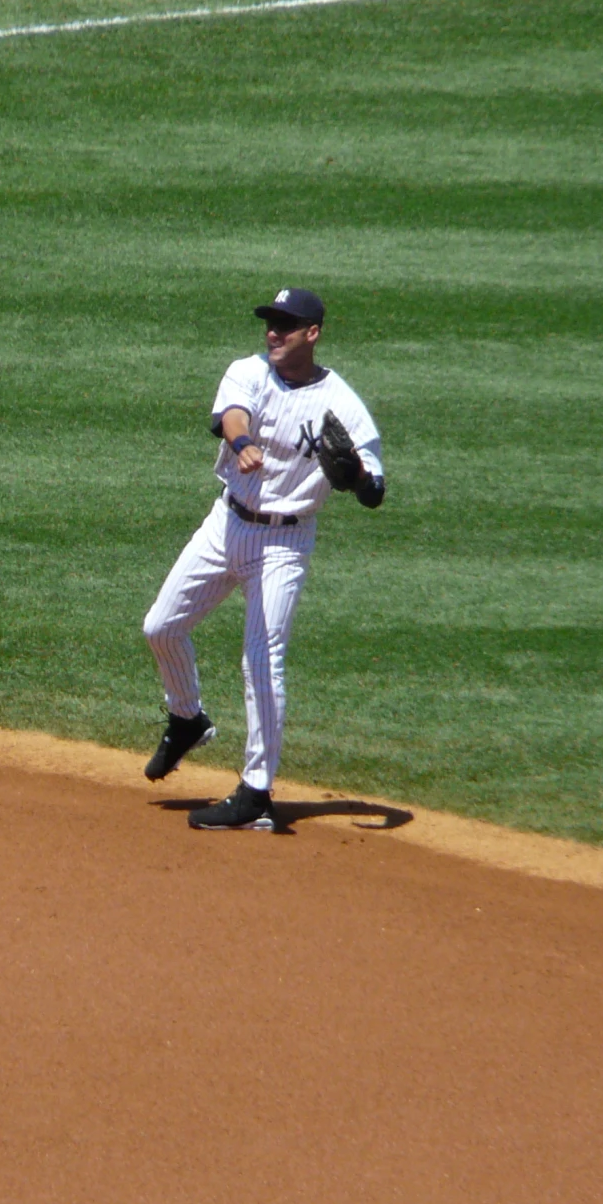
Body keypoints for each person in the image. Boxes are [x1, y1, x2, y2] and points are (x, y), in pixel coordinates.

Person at [141, 288, 385, 830]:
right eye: (270, 323)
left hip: (284, 545)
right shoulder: (248, 370)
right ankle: (186, 718)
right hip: (226, 525)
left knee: (262, 659)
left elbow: (375, 489)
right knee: (160, 627)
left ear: (313, 333)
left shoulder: (340, 403)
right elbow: (231, 414)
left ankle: (257, 794)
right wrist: (244, 441)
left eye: (286, 325)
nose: (273, 333)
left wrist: (357, 479)